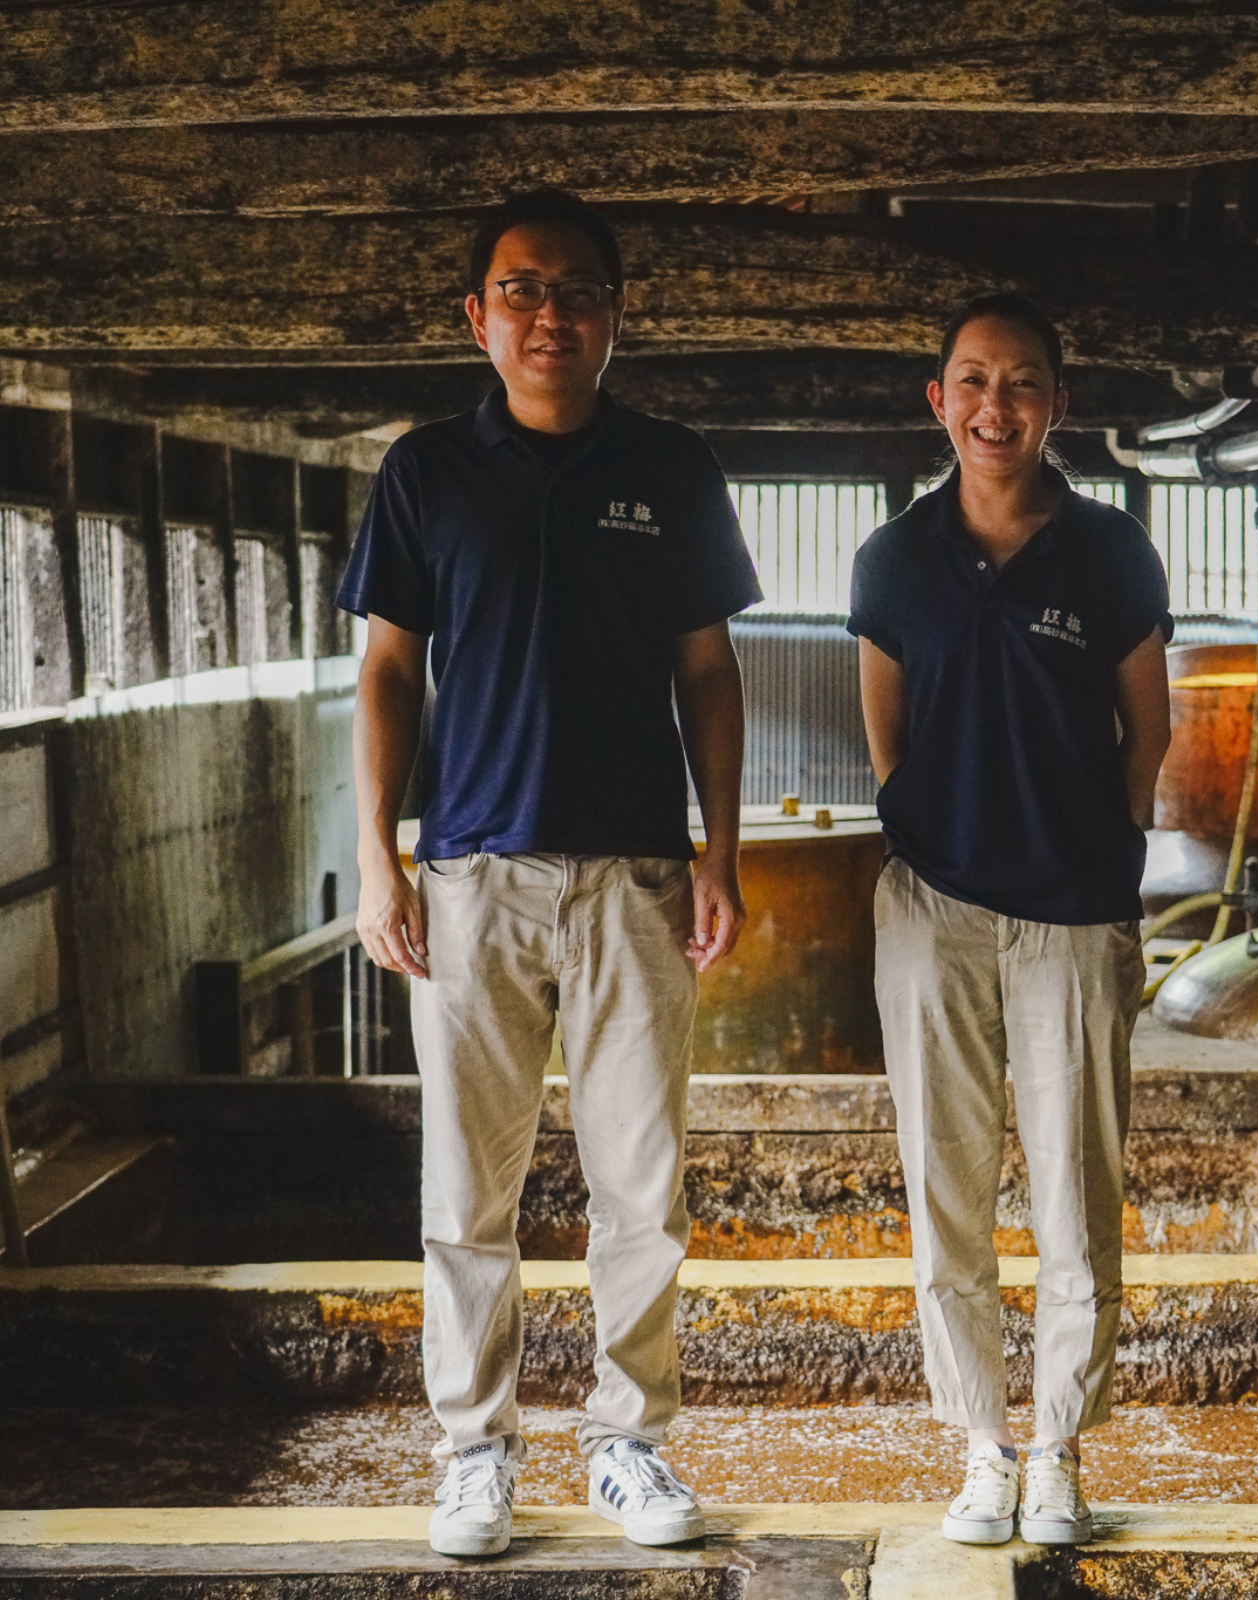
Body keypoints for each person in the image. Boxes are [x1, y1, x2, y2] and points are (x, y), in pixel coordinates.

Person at [339, 189, 762, 1558]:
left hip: (636, 874)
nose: (550, 314)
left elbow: (709, 669)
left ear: (615, 315)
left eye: (578, 290)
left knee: (644, 1185)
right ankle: (474, 1454)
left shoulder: (673, 466)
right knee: (467, 1192)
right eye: (522, 290)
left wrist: (721, 850)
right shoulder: (426, 474)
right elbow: (388, 671)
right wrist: (378, 858)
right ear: (480, 318)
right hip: (471, 875)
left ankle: (627, 1446)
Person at [847, 294, 1172, 1547]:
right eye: (973, 381)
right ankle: (982, 1442)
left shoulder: (1110, 551)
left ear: (1056, 405)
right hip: (933, 906)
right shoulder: (889, 560)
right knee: (946, 1184)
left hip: (1073, 916)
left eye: (1022, 382)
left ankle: (1058, 1449)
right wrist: (931, 830)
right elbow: (889, 735)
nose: (996, 405)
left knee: (1077, 1194)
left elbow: (1146, 728)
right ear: (939, 402)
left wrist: (1107, 851)